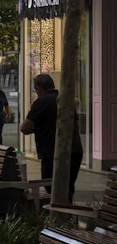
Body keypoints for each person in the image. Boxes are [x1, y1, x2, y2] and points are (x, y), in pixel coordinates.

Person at [20, 73, 84, 203]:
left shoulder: (41, 101)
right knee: (68, 186)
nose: (36, 92)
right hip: (75, 150)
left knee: (51, 185)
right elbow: (77, 125)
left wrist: (37, 129)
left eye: (35, 90)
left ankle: (59, 215)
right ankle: (67, 214)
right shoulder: (65, 98)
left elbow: (24, 128)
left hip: (52, 152)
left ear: (39, 88)